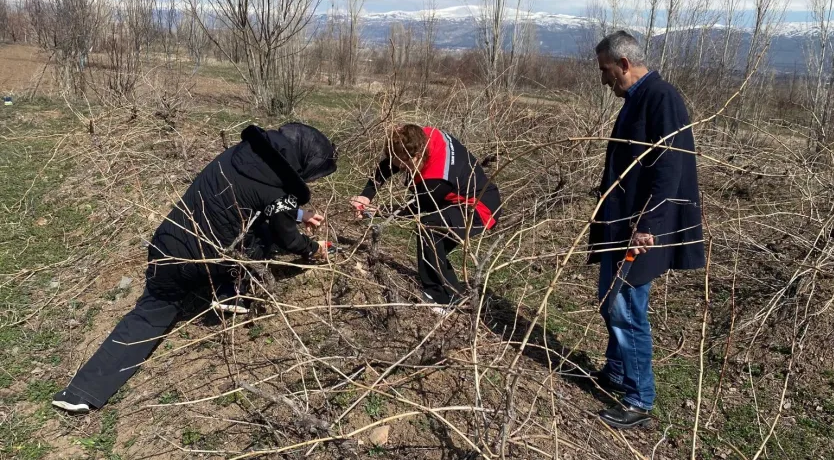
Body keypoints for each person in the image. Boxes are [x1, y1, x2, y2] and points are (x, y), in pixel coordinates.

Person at [52, 122, 338, 413]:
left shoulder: (240, 154)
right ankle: (231, 291)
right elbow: (285, 235)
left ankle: (80, 393)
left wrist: (300, 213)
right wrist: (313, 250)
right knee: (263, 237)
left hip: (167, 245)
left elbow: (251, 197)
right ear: (301, 162)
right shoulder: (280, 191)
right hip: (204, 261)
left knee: (149, 314)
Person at [587, 31, 705, 429]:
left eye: (606, 70)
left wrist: (649, 224)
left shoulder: (661, 98)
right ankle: (617, 372)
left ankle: (640, 398)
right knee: (612, 299)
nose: (604, 80)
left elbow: (671, 166)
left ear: (624, 63)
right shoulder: (638, 99)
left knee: (625, 307)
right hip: (623, 222)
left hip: (640, 228)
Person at [350, 124, 501, 311]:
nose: (402, 170)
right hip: (459, 199)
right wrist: (366, 195)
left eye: (405, 167)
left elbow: (414, 208)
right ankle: (453, 293)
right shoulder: (422, 136)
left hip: (480, 208)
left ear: (416, 156)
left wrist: (376, 211)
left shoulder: (437, 179)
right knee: (434, 246)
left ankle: (440, 298)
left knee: (429, 229)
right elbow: (389, 165)